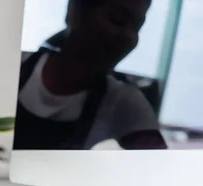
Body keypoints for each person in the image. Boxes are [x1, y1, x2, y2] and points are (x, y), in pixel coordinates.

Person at [14, 0, 168, 151]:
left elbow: (160, 169)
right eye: (118, 19)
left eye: (137, 28)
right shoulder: (12, 64)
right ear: (75, 12)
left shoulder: (123, 101)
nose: (128, 37)